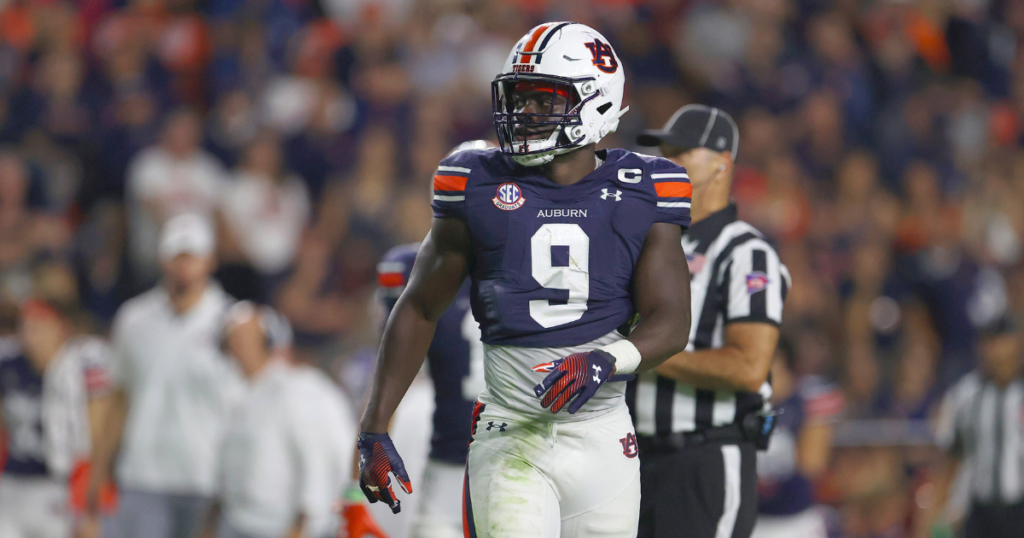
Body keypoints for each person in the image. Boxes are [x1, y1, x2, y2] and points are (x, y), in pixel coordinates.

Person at [357, 22, 693, 537]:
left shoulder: (644, 188)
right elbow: (421, 305)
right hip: (511, 429)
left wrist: (607, 358)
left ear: (597, 102)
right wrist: (374, 428)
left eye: (544, 99)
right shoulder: (474, 179)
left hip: (604, 436)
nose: (525, 113)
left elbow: (671, 320)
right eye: (520, 97)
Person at [628, 104, 790, 538]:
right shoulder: (649, 243)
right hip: (634, 460)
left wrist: (639, 353)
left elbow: (748, 367)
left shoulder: (745, 252)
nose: (667, 163)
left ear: (722, 163)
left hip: (705, 459)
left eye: (681, 153)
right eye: (664, 152)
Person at [82, 214, 243, 538]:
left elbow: (245, 411)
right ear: (162, 259)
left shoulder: (234, 322)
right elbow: (119, 398)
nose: (184, 265)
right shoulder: (133, 319)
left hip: (206, 478)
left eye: (192, 255)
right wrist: (98, 470)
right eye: (176, 255)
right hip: (142, 475)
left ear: (210, 260)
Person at [199, 301, 355, 538]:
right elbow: (228, 465)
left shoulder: (294, 390)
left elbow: (314, 462)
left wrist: (302, 526)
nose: (236, 347)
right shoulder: (234, 391)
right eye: (232, 339)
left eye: (244, 338)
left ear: (267, 342)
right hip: (236, 521)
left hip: (279, 527)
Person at [0, 299, 113, 538]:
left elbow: (98, 436)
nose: (32, 335)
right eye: (27, 326)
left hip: (61, 484)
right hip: (13, 480)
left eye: (40, 326)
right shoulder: (8, 364)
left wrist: (90, 501)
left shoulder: (82, 364)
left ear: (62, 328)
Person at [928, 313, 1024, 538]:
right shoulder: (965, 394)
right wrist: (939, 508)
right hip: (979, 508)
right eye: (990, 342)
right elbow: (951, 456)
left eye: (1002, 341)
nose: (997, 351)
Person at [751, 340, 843, 538]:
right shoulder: (743, 405)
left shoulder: (806, 399)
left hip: (797, 521)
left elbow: (812, 464)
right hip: (752, 521)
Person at [125, 108, 227, 286]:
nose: (183, 135)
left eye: (189, 130)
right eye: (179, 129)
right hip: (155, 257)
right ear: (166, 131)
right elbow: (152, 209)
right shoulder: (148, 163)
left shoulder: (208, 167)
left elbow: (219, 215)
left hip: (199, 258)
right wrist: (180, 247)